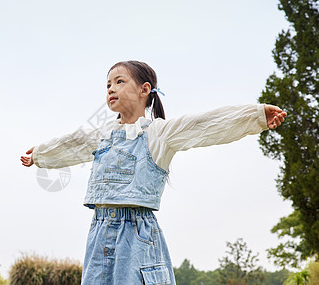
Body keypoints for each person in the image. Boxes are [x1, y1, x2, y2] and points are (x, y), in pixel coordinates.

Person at [20, 60, 287, 284]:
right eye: (108, 85)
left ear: (144, 89)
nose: (111, 88)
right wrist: (41, 154)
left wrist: (256, 116)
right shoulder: (102, 135)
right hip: (98, 234)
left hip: (136, 236)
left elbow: (204, 125)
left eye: (120, 81)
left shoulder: (159, 134)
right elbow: (73, 143)